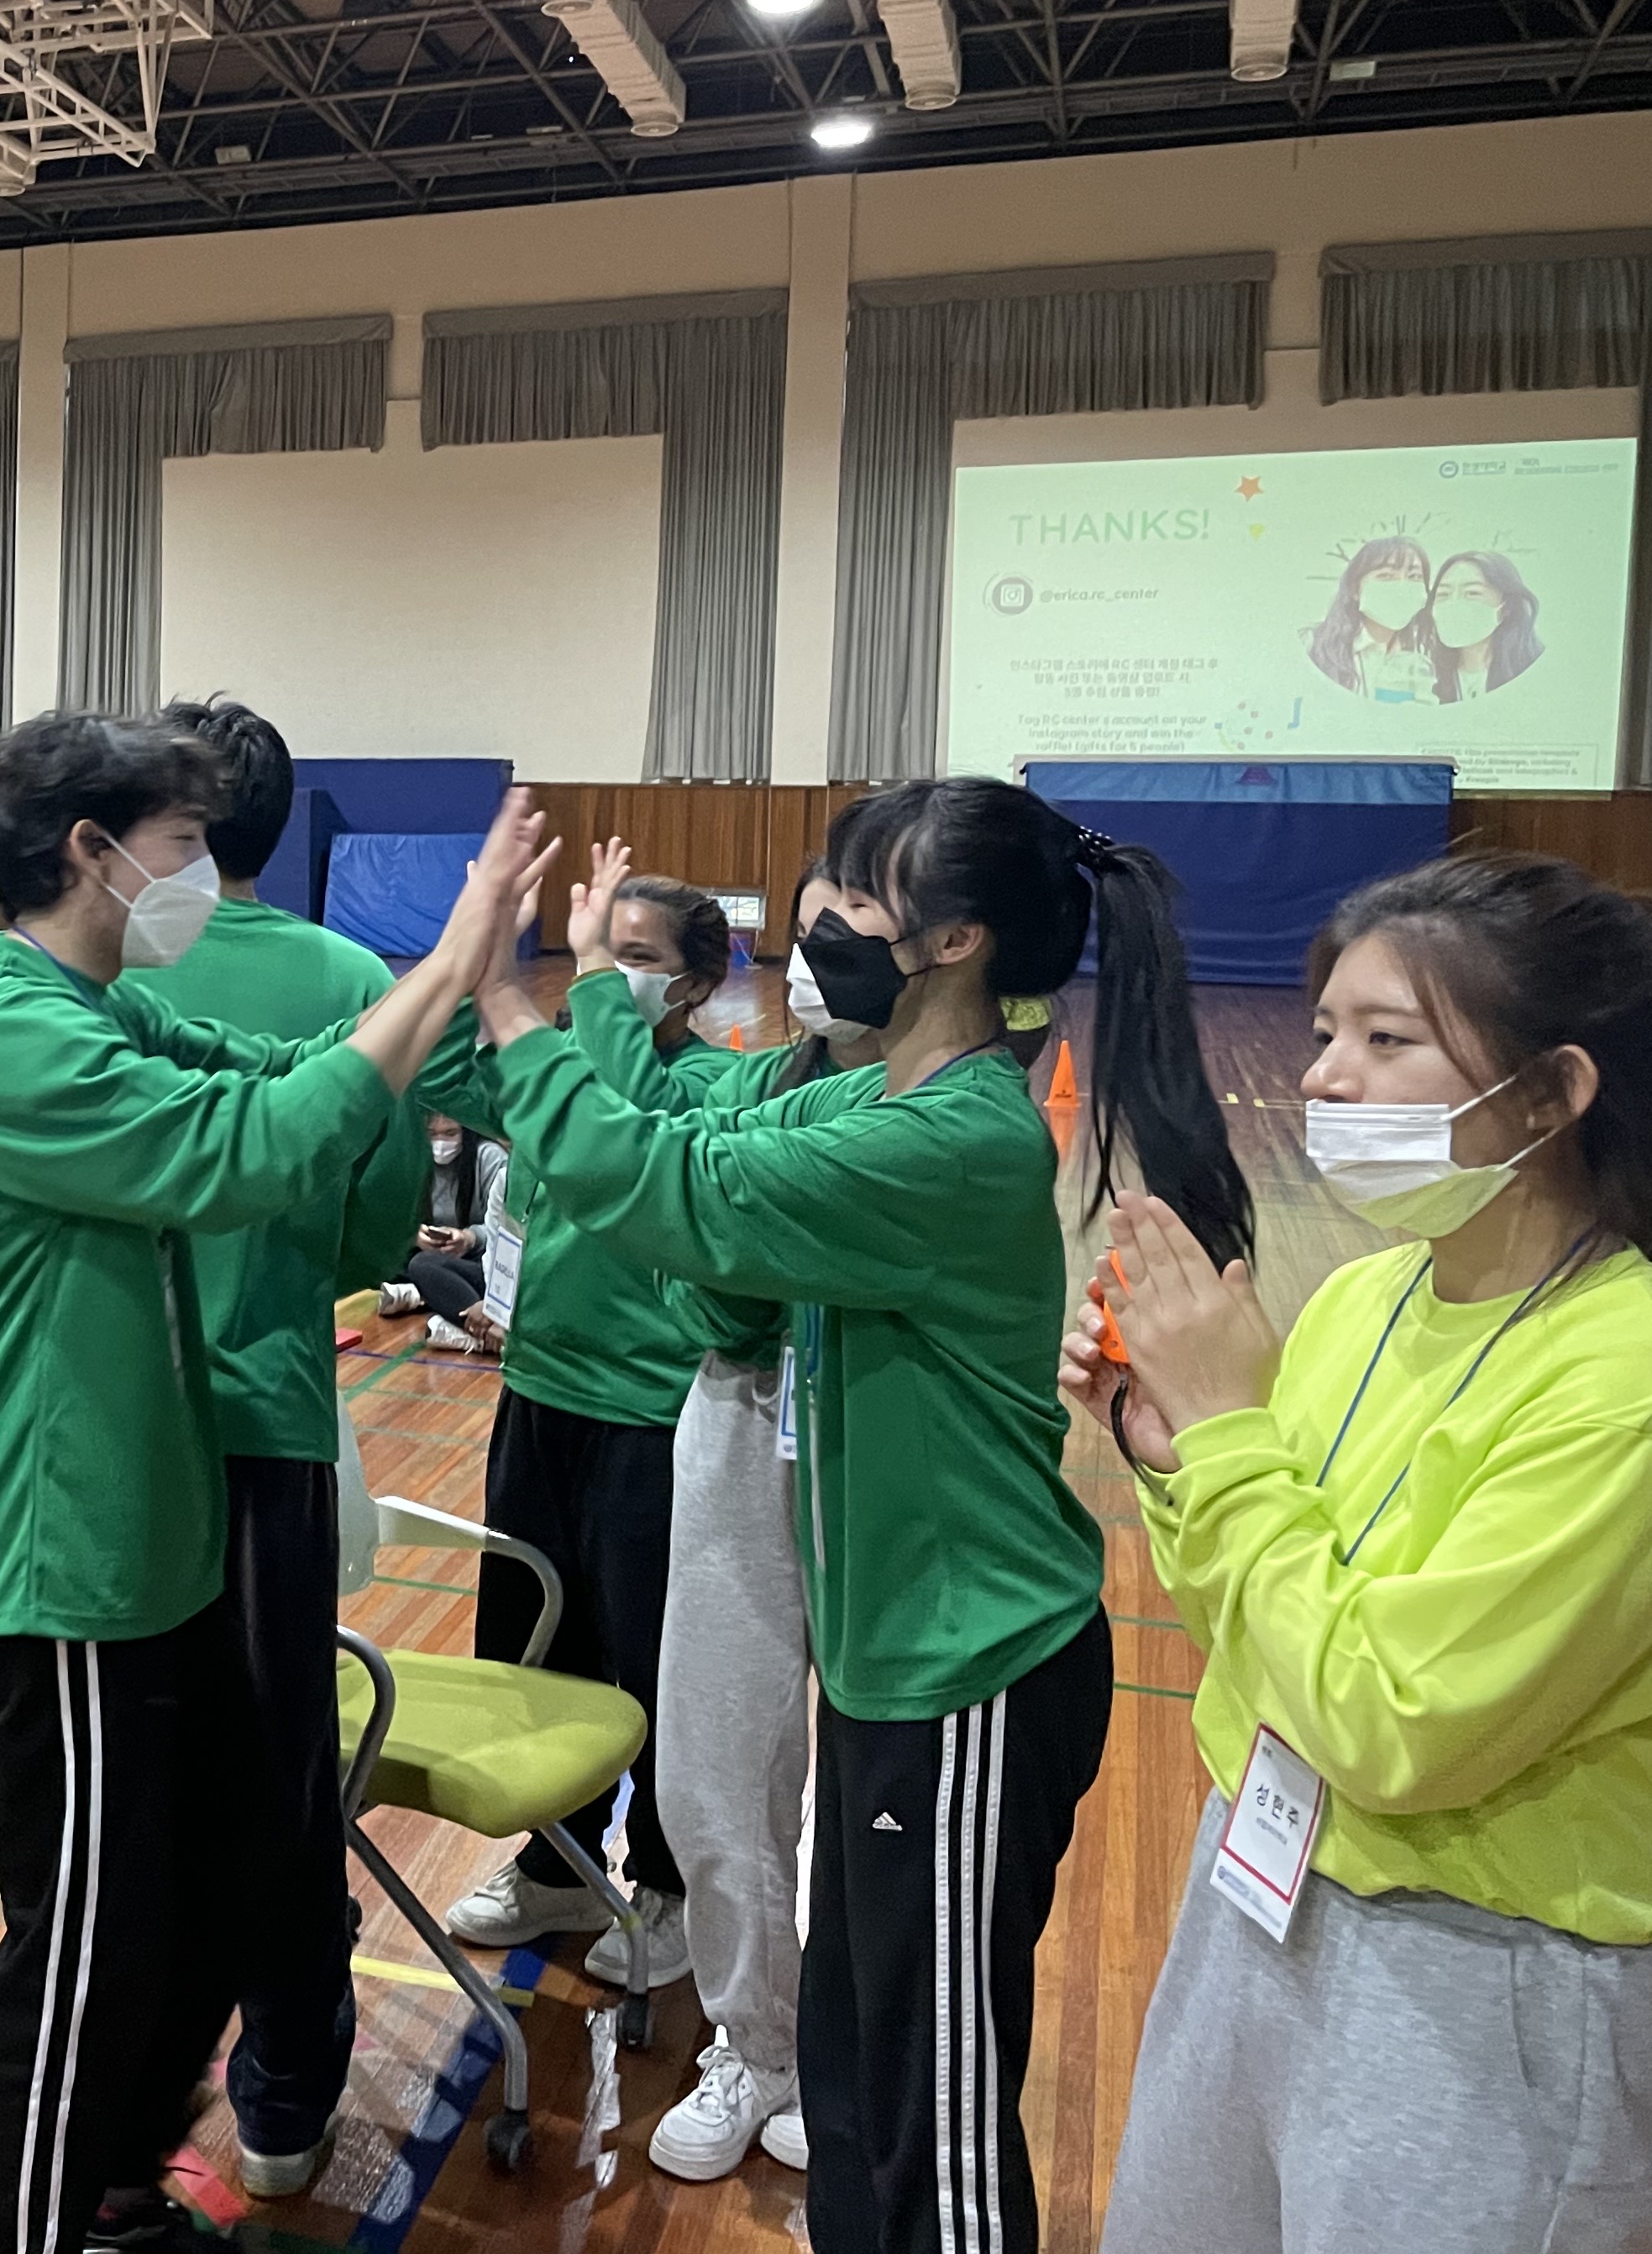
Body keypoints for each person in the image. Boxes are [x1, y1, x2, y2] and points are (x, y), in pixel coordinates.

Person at [465, 776, 1249, 2254]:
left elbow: (655, 1179)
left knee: (924, 2110)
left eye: (858, 895)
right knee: (855, 2058)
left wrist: (512, 998)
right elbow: (685, 1149)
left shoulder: (955, 1135)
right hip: (899, 1665)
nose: (821, 920)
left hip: (973, 1672)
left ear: (952, 939)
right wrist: (587, 1024)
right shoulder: (874, 1094)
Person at [0, 709, 551, 2254]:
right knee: (81, 1951)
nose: (204, 875)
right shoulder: (7, 1029)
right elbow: (258, 1145)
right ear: (93, 852)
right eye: (186, 845)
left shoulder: (103, 1004)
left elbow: (283, 1070)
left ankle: (119, 2191)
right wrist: (450, 952)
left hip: (153, 1545)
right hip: (64, 1562)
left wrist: (445, 983)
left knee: (209, 1890)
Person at [1081, 851, 1652, 2254]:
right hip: (1259, 1890)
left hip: (1486, 1976)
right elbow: (1262, 1626)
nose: (1324, 1075)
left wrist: (1227, 1436)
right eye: (1326, 1028)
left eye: (1387, 1039)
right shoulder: (1360, 1296)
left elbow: (1394, 1724)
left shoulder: (1622, 1377)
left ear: (1552, 1091)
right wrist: (1175, 1454)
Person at [117, 692, 427, 2201]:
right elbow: (377, 1228)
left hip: (122, 1447)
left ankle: (121, 2108)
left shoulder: (96, 979)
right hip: (272, 1432)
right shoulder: (354, 982)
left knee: (131, 1783)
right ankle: (286, 2098)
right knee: (282, 1778)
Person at [552, 857, 873, 2182]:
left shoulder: (939, 1118)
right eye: (806, 927)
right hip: (742, 1419)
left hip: (887, 1448)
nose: (818, 954)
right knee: (716, 1764)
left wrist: (721, 1255)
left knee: (884, 1796)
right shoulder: (756, 1084)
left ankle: (857, 2053)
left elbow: (709, 1233)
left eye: (851, 926)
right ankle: (759, 2041)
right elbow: (688, 1243)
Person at [442, 857, 739, 1987]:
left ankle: (667, 1887)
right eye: (594, 955)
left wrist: (589, 993)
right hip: (538, 1399)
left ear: (695, 985)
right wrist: (485, 955)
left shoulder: (713, 1090)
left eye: (635, 960)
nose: (603, 979)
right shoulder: (554, 1069)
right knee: (532, 1647)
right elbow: (436, 1068)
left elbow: (628, 1123)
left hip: (651, 1417)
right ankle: (556, 1865)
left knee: (654, 1669)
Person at [374, 1116, 507, 1350]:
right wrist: (412, 1234)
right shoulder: (410, 1159)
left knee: (423, 1266)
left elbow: (503, 1233)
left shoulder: (490, 1159)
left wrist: (470, 1238)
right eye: (432, 1134)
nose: (440, 1142)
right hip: (432, 1255)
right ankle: (426, 1295)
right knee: (382, 1259)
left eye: (450, 1133)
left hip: (481, 1259)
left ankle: (479, 1334)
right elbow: (387, 1219)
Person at [1305, 535, 1437, 703]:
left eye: (1414, 576)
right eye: (1386, 576)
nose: (1401, 587)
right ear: (1355, 589)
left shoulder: (1427, 653)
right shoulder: (1315, 645)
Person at [1424, 548, 1544, 700]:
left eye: (1472, 593)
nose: (1454, 604)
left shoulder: (1533, 672)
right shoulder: (1426, 678)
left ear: (1506, 607)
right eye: (1443, 594)